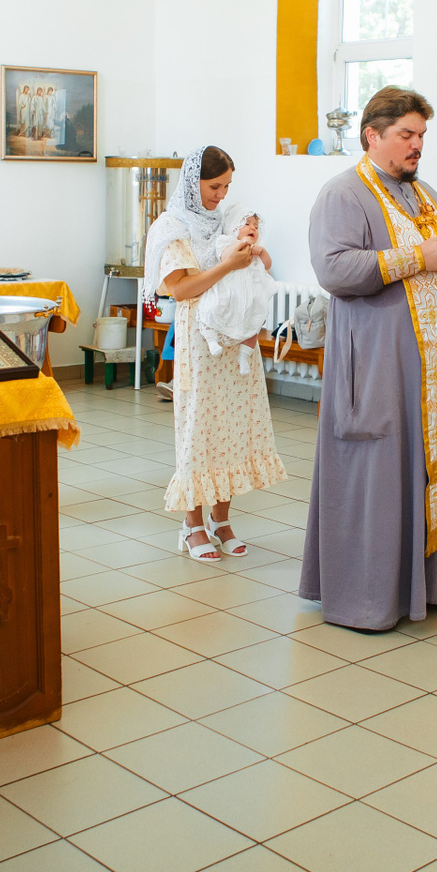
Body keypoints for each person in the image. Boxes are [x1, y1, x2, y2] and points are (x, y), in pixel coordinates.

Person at [300, 87, 437, 629]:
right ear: (372, 136)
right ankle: (372, 596)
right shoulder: (343, 193)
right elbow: (333, 269)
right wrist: (417, 257)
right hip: (380, 364)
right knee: (381, 471)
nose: (417, 145)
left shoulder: (426, 194)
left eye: (421, 135)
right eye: (406, 134)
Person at [146, 147, 286, 561]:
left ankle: (221, 521)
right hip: (198, 341)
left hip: (235, 336)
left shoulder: (224, 219)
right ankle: (192, 525)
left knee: (234, 429)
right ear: (194, 184)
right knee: (200, 429)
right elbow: (180, 289)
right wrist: (227, 266)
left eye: (227, 186)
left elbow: (257, 262)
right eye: (214, 186)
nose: (221, 195)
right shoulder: (171, 227)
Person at [195, 207, 277, 374]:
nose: (253, 228)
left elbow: (267, 265)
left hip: (248, 296)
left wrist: (262, 252)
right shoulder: (225, 241)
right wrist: (242, 243)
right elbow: (225, 257)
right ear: (233, 226)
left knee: (253, 323)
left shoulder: (257, 248)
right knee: (213, 307)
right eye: (247, 224)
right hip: (228, 289)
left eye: (256, 226)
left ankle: (244, 355)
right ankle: (211, 339)